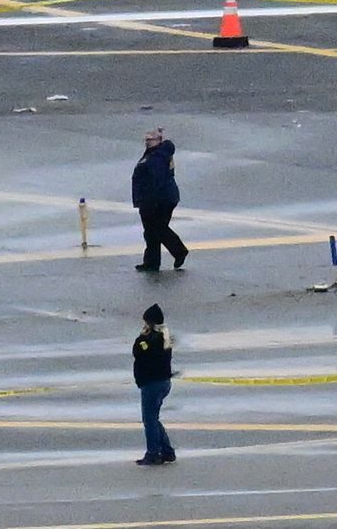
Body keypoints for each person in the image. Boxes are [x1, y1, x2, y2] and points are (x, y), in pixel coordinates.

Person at [132, 127, 188, 272]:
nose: (147, 143)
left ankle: (179, 251)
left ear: (158, 140)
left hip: (159, 199)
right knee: (152, 231)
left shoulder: (158, 156)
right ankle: (152, 262)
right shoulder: (154, 154)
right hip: (154, 198)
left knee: (157, 228)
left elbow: (156, 179)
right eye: (146, 140)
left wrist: (149, 200)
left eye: (150, 140)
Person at [133, 304, 176, 466]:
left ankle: (153, 453)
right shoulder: (164, 336)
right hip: (162, 382)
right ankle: (167, 451)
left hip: (152, 383)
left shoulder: (152, 338)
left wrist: (141, 338)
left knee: (149, 419)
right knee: (153, 418)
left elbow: (139, 351)